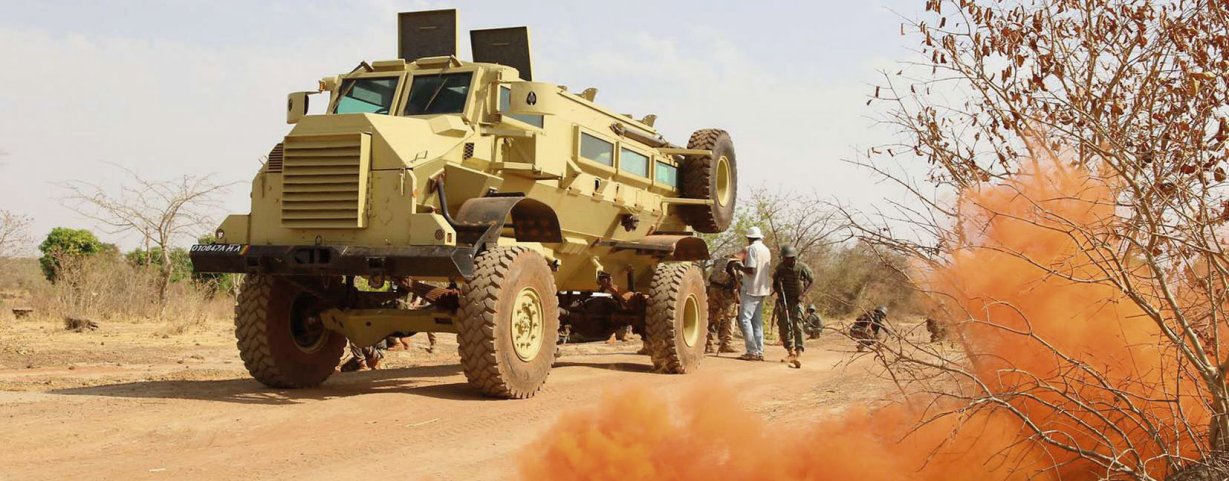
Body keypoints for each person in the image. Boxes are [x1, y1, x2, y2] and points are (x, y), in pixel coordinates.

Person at [731, 226, 772, 361]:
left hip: (751, 289)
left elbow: (750, 270)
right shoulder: (766, 250)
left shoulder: (753, 249)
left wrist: (739, 267)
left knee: (744, 319)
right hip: (762, 289)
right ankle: (759, 351)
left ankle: (752, 351)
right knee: (757, 322)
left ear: (749, 238)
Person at [771, 245, 814, 368]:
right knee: (784, 325)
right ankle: (790, 351)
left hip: (797, 301)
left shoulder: (802, 268)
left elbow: (812, 281)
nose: (787, 260)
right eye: (785, 258)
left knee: (798, 325)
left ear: (794, 258)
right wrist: (779, 287)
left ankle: (799, 352)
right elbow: (775, 284)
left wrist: (803, 294)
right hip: (784, 301)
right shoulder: (780, 268)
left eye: (789, 258)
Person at [705, 258, 741, 354]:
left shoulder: (721, 261)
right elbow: (739, 280)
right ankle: (726, 344)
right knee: (731, 317)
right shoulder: (736, 263)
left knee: (711, 317)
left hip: (713, 289)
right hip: (726, 292)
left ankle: (708, 344)